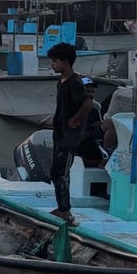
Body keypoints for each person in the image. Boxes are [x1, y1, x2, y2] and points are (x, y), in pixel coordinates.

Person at [47, 43, 92, 225]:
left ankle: (65, 211)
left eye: (55, 61)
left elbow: (87, 103)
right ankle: (61, 207)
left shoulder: (75, 83)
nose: (52, 65)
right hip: (60, 133)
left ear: (65, 62)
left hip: (69, 136)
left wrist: (76, 119)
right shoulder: (61, 82)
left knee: (62, 171)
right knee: (55, 171)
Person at [77, 76, 107, 168]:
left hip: (93, 145)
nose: (90, 94)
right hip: (79, 147)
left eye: (92, 91)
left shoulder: (95, 109)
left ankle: (105, 159)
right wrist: (93, 127)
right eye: (87, 91)